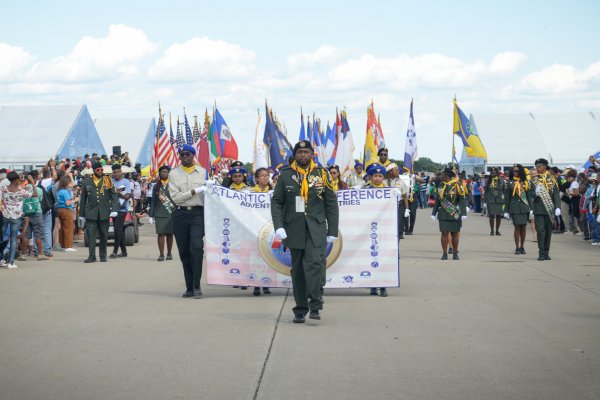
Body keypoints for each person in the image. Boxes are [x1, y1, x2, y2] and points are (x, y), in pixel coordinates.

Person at [271, 140, 339, 323]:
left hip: (316, 228)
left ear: (312, 154)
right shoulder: (286, 174)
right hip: (294, 228)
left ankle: (315, 304)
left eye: (306, 152)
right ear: (295, 154)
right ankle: (300, 309)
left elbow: (330, 203)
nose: (302, 155)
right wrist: (278, 226)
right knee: (299, 270)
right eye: (299, 152)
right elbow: (277, 201)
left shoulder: (322, 173)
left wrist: (333, 229)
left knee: (315, 263)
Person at [169, 145, 209, 298]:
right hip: (180, 214)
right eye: (181, 154)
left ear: (193, 155)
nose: (184, 156)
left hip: (197, 214)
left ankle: (197, 285)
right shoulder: (174, 174)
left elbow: (209, 195)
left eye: (187, 154)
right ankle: (189, 287)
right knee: (184, 252)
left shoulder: (203, 172)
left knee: (196, 248)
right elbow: (176, 198)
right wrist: (193, 192)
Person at [363, 163, 394, 296]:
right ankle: (372, 285)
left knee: (384, 257)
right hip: (369, 228)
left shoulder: (390, 191)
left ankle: (383, 286)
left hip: (384, 228)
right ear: (370, 177)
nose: (377, 178)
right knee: (369, 256)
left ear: (383, 177)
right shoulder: (364, 190)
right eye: (375, 176)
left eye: (380, 176)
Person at [79, 162, 119, 263]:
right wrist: (81, 215)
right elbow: (83, 199)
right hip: (91, 213)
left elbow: (114, 196)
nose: (100, 171)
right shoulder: (87, 182)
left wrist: (114, 209)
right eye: (98, 170)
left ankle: (103, 256)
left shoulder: (107, 180)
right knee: (91, 235)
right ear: (93, 171)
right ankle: (92, 256)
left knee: (104, 235)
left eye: (102, 170)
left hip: (104, 212)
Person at [0, 172, 38, 268]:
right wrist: (33, 183)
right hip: (16, 217)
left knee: (2, 238)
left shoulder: (4, 189)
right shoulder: (21, 191)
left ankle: (1, 258)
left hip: (5, 215)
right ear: (16, 179)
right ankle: (11, 262)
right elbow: (35, 194)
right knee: (13, 240)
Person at [431, 168, 467, 260]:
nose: (441, 176)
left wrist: (464, 213)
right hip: (443, 213)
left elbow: (462, 200)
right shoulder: (441, 185)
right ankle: (444, 253)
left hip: (454, 212)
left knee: (454, 234)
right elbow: (438, 200)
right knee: (444, 233)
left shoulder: (458, 185)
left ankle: (455, 253)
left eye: (442, 175)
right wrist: (433, 213)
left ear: (447, 176)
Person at [530, 158, 561, 261]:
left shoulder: (552, 178)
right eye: (536, 166)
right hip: (539, 208)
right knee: (540, 231)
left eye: (539, 166)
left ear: (545, 166)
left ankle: (546, 252)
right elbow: (530, 193)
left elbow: (555, 194)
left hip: (550, 208)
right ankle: (541, 253)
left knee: (548, 231)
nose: (537, 168)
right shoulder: (534, 179)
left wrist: (558, 207)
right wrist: (535, 193)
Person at [504, 164, 533, 254]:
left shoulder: (525, 182)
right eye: (513, 171)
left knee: (523, 226)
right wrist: (506, 210)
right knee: (517, 226)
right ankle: (517, 247)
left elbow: (528, 196)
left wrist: (532, 208)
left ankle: (522, 247)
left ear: (520, 171)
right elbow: (507, 197)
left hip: (524, 207)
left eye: (516, 171)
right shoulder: (510, 182)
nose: (514, 172)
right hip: (515, 207)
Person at [149, 165, 175, 261]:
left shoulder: (173, 185)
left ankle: (169, 253)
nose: (164, 173)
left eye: (166, 172)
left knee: (170, 234)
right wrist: (151, 215)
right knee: (160, 234)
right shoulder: (156, 186)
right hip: (159, 213)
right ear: (159, 173)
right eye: (162, 172)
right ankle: (161, 254)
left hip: (171, 212)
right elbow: (153, 201)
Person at [110, 164, 131, 258]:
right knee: (119, 230)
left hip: (122, 209)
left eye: (118, 172)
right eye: (114, 172)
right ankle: (124, 252)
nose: (116, 174)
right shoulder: (111, 182)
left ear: (121, 172)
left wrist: (117, 194)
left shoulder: (126, 182)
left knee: (117, 230)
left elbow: (127, 196)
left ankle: (115, 251)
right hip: (113, 209)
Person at [385, 163, 410, 241]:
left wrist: (407, 209)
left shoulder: (401, 182)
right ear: (391, 172)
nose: (398, 171)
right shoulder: (384, 182)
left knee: (399, 228)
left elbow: (405, 196)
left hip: (399, 207)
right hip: (387, 208)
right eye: (396, 170)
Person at [56, 174, 78, 252]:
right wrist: (75, 200)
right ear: (66, 183)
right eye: (69, 183)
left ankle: (63, 245)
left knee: (63, 228)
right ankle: (68, 246)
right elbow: (68, 203)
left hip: (60, 209)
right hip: (66, 210)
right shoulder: (65, 192)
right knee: (69, 228)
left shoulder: (59, 191)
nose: (70, 184)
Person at [483, 168, 506, 236]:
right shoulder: (488, 180)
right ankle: (492, 230)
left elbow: (504, 191)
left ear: (497, 173)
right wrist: (484, 201)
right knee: (491, 215)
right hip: (490, 200)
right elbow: (486, 191)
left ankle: (497, 230)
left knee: (499, 216)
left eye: (493, 172)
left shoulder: (501, 180)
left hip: (499, 200)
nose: (492, 173)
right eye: (491, 172)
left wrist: (505, 200)